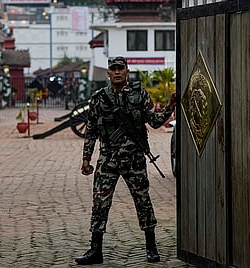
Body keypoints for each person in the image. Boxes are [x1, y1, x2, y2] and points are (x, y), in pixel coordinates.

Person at [74, 56, 176, 265]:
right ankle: (95, 250)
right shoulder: (99, 98)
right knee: (100, 204)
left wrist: (170, 106)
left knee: (143, 201)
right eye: (114, 69)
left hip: (134, 159)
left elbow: (155, 122)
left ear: (127, 71)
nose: (117, 72)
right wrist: (86, 159)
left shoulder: (139, 94)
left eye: (121, 68)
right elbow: (91, 130)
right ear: (109, 73)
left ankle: (151, 247)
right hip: (108, 159)